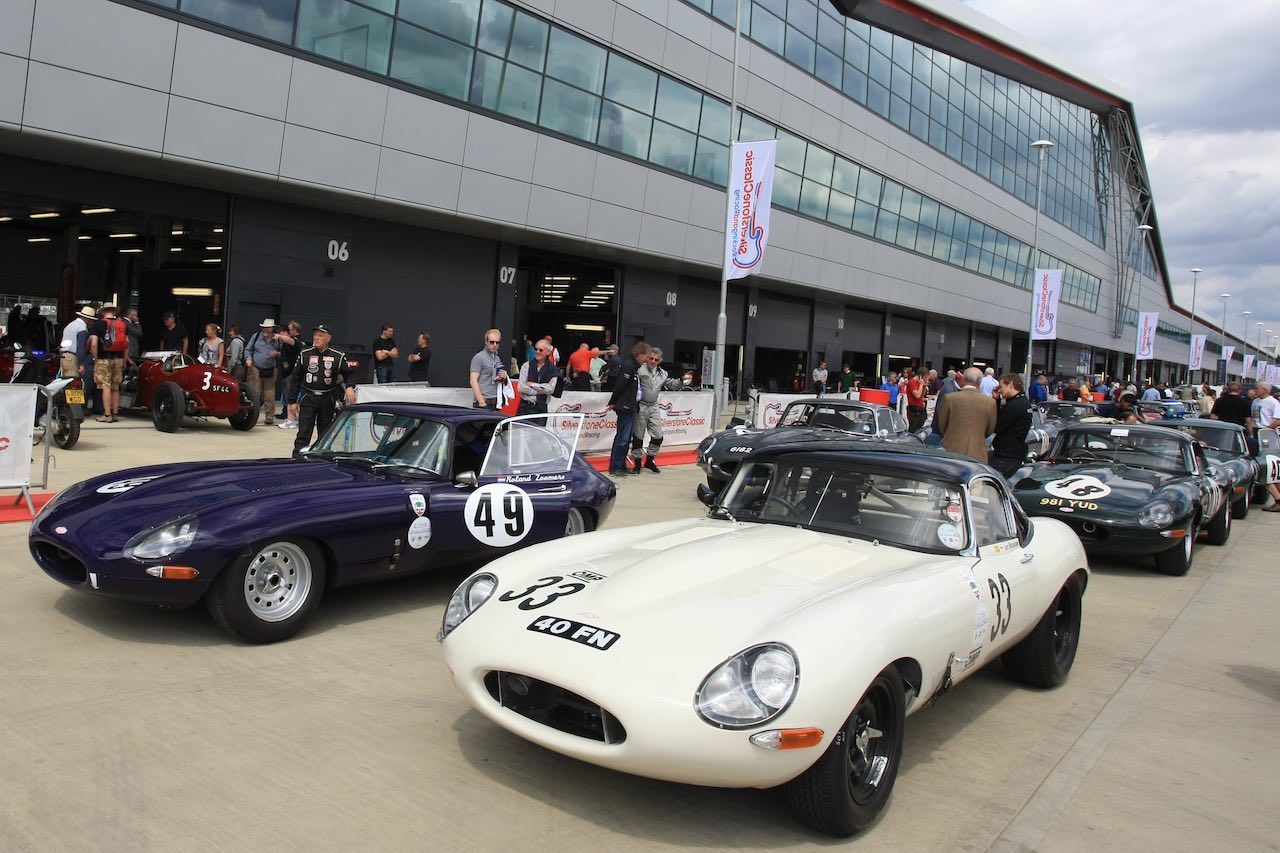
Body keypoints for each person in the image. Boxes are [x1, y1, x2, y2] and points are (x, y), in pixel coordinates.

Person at [289, 324, 356, 458]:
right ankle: (297, 460)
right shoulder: (305, 354)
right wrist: (292, 401)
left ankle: (322, 460)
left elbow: (350, 374)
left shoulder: (338, 355)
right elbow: (295, 379)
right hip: (308, 396)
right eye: (315, 335)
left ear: (328, 338)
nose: (316, 338)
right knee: (303, 433)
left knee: (325, 434)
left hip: (328, 398)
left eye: (320, 335)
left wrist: (349, 387)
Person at [630, 346, 692, 473]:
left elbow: (672, 385)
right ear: (647, 358)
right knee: (638, 436)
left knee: (658, 436)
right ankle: (637, 464)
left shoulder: (663, 373)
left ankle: (649, 460)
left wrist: (682, 380)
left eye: (656, 359)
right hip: (640, 405)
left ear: (660, 360)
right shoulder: (639, 370)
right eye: (651, 358)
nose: (653, 361)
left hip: (653, 406)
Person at [606, 341, 651, 477]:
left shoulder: (633, 366)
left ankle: (621, 465)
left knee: (626, 438)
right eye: (646, 356)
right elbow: (620, 385)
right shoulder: (628, 365)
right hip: (625, 406)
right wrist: (613, 401)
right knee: (623, 438)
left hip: (630, 406)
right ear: (639, 354)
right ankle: (615, 467)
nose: (646, 359)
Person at [937, 367, 997, 462]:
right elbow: (990, 429)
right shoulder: (990, 402)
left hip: (951, 449)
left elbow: (942, 424)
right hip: (978, 452)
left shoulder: (950, 398)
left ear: (964, 379)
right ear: (980, 382)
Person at [87, 305, 127, 423]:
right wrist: (124, 360)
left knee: (105, 386)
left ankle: (107, 415)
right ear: (114, 312)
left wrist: (95, 358)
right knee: (115, 387)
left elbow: (93, 344)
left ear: (103, 312)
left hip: (103, 359)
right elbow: (126, 345)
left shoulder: (98, 324)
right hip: (118, 359)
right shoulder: (122, 325)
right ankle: (115, 413)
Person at [989, 374, 1032, 477]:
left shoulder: (1014, 405)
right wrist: (997, 400)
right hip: (1015, 452)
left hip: (1006, 456)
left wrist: (996, 401)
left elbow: (997, 426)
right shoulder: (1023, 402)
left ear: (1011, 384)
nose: (999, 390)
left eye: (1001, 386)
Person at [244, 318, 285, 426]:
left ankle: (269, 416)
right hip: (256, 367)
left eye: (268, 328)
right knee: (255, 393)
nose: (265, 330)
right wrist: (248, 359)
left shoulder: (277, 339)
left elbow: (284, 352)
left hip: (271, 368)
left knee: (269, 394)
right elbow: (248, 349)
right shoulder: (256, 336)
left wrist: (277, 354)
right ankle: (251, 415)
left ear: (272, 329)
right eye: (264, 328)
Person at [61, 305, 95, 413]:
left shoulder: (70, 326)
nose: (91, 322)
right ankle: (74, 411)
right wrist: (81, 364)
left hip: (64, 356)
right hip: (73, 357)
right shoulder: (82, 329)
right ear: (88, 318)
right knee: (74, 385)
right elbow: (81, 347)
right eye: (91, 319)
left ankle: (66, 408)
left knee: (66, 382)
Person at [517, 339, 561, 416]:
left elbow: (550, 389)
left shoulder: (553, 369)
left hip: (541, 409)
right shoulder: (526, 366)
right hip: (525, 407)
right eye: (536, 349)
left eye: (541, 350)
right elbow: (521, 387)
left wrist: (533, 385)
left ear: (548, 352)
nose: (537, 352)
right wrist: (538, 392)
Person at [469, 328, 509, 410]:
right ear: (486, 342)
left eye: (497, 342)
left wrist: (504, 378)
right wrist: (481, 402)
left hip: (496, 401)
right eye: (492, 342)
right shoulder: (479, 357)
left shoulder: (497, 358)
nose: (494, 345)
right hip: (484, 401)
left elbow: (496, 379)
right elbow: (473, 381)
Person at [904, 367, 927, 432]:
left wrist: (924, 386)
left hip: (920, 408)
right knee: (914, 428)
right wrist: (921, 385)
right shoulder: (912, 382)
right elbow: (917, 395)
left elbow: (921, 395)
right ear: (921, 376)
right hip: (914, 409)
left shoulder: (919, 383)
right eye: (925, 377)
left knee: (920, 427)